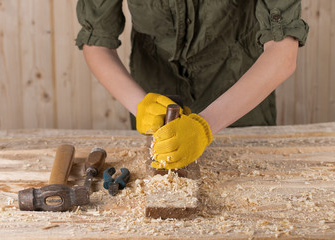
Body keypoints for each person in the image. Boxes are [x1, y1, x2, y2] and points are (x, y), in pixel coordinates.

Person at [75, 1, 309, 169]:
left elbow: (283, 53)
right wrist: (140, 104)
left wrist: (204, 126)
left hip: (242, 109)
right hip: (155, 111)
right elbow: (97, 43)